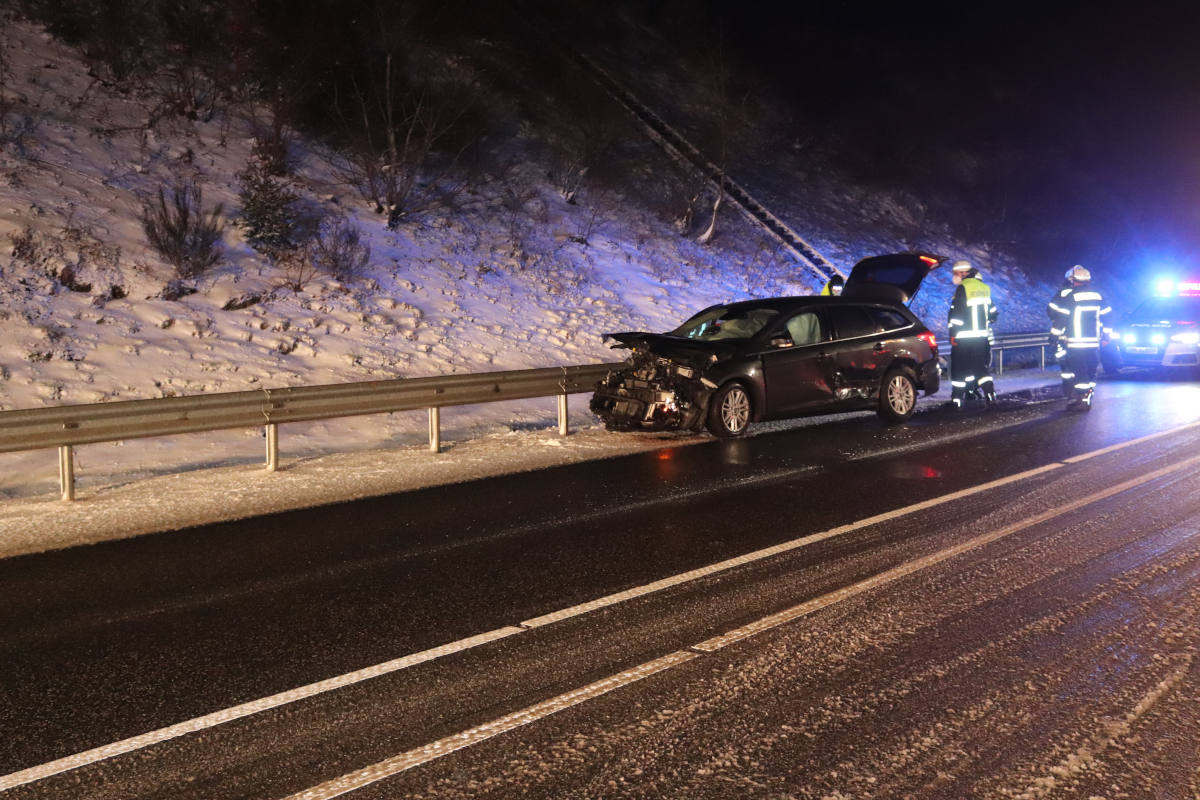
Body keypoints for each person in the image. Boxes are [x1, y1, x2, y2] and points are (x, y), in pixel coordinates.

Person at [1047, 265, 1111, 408]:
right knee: (1091, 369)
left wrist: (1053, 336)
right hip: (1093, 343)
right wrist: (1106, 335)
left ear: (1074, 281)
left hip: (1075, 343)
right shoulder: (1098, 296)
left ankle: (1082, 399)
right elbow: (1108, 317)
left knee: (1079, 371)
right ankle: (1086, 395)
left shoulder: (1071, 297)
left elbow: (1061, 320)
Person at [946, 259, 998, 408]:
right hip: (981, 338)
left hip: (963, 338)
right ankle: (991, 395)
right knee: (980, 368)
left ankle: (956, 401)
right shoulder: (984, 288)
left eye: (956, 273)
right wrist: (990, 318)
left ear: (963, 273)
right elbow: (993, 312)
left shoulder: (963, 288)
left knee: (959, 369)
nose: (955, 276)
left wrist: (953, 334)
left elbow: (956, 315)